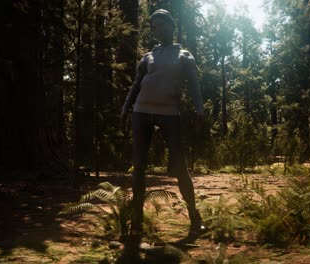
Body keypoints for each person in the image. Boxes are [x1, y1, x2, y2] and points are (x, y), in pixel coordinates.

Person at [119, 8, 205, 261]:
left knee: (180, 166)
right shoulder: (148, 56)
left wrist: (200, 112)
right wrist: (125, 110)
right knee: (139, 167)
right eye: (154, 26)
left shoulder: (185, 55)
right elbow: (136, 84)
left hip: (170, 113)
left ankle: (194, 217)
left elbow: (195, 86)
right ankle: (136, 223)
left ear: (171, 26)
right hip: (141, 112)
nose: (159, 29)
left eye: (162, 25)